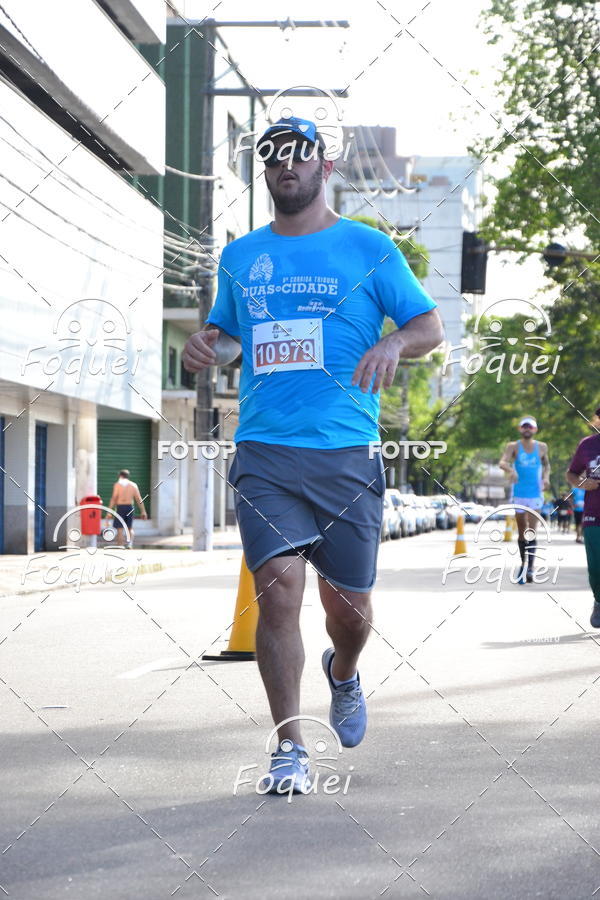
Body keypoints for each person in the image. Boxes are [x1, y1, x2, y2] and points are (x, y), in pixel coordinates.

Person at [182, 117, 443, 794]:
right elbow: (232, 338)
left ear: (324, 167)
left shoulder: (370, 248)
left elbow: (429, 325)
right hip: (265, 449)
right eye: (272, 161)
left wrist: (393, 345)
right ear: (264, 173)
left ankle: (345, 672)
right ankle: (288, 747)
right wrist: (207, 350)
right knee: (280, 594)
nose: (285, 169)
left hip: (345, 452)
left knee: (348, 610)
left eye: (297, 159)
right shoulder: (240, 257)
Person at [499, 416, 550, 583]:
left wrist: (547, 478)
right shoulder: (513, 446)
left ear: (535, 429)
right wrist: (510, 470)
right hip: (519, 493)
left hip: (535, 494)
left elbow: (547, 465)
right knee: (522, 530)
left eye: (530, 427)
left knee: (532, 530)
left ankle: (530, 568)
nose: (527, 429)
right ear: (520, 429)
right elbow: (502, 462)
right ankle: (523, 563)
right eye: (524, 427)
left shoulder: (542, 447)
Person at [566, 405, 600, 628]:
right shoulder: (587, 445)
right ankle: (599, 601)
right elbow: (571, 473)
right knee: (596, 564)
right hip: (594, 513)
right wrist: (582, 483)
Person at [107, 469, 147, 548]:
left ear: (120, 476)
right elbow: (139, 499)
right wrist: (143, 511)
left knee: (120, 528)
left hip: (120, 507)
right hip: (130, 507)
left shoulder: (117, 485)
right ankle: (130, 544)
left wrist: (109, 511)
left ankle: (120, 545)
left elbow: (114, 498)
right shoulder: (133, 485)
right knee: (130, 528)